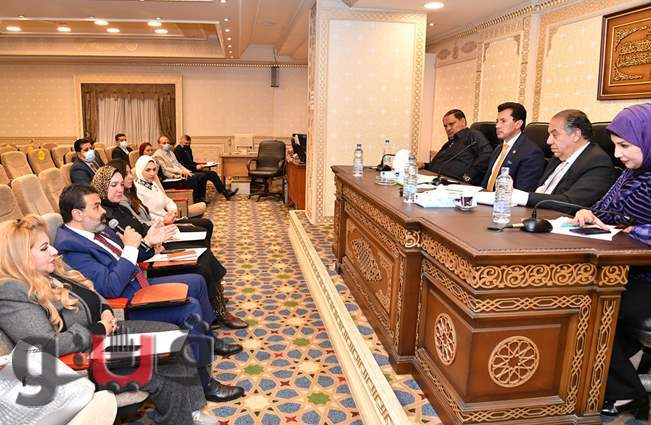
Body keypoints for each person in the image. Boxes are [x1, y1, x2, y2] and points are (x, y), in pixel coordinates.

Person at [0, 215, 244, 424]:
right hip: (82, 360)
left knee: (175, 338)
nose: (54, 251)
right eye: (44, 248)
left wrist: (105, 310)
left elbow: (94, 293)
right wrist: (98, 328)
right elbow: (44, 345)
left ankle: (191, 411)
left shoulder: (51, 272)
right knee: (165, 368)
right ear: (20, 256)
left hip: (104, 335)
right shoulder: (12, 291)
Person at [52, 185, 242, 358]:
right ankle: (203, 375)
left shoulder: (98, 228)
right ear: (77, 214)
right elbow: (110, 287)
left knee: (197, 281)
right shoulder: (71, 247)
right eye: (96, 207)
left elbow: (133, 254)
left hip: (138, 283)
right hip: (127, 304)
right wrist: (130, 248)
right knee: (190, 307)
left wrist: (148, 242)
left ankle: (208, 339)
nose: (102, 211)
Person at [569, 103, 651, 421]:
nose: (618, 155)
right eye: (616, 146)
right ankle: (630, 359)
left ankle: (626, 394)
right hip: (629, 270)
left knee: (594, 305)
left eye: (625, 146)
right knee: (584, 292)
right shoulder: (631, 174)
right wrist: (587, 212)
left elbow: (626, 218)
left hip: (645, 278)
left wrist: (628, 226)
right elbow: (605, 209)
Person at [92, 163, 247, 330]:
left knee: (204, 254)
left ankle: (216, 303)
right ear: (102, 187)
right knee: (201, 265)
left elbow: (141, 227)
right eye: (113, 185)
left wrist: (155, 236)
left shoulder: (119, 208)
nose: (119, 189)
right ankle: (218, 311)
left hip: (152, 247)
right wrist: (150, 243)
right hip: (144, 263)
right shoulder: (106, 218)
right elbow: (128, 248)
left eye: (121, 184)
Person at [476, 109, 617, 213]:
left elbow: (572, 202)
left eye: (555, 135)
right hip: (530, 214)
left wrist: (519, 197)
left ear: (575, 134)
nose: (548, 141)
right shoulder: (558, 156)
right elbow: (540, 189)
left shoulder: (597, 162)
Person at [133, 156, 214, 237]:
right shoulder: (137, 190)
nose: (152, 173)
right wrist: (165, 220)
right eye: (148, 170)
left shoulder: (152, 184)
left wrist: (172, 211)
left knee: (207, 223)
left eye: (154, 169)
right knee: (203, 231)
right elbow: (146, 216)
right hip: (160, 227)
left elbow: (167, 201)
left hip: (170, 220)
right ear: (140, 170)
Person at [481, 102, 545, 192]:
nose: (497, 126)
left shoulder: (531, 153)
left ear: (518, 124)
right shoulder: (499, 149)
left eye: (503, 121)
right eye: (497, 121)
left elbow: (523, 192)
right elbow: (486, 182)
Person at [422, 109, 493, 185]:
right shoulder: (448, 144)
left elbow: (487, 155)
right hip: (436, 179)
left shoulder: (473, 135)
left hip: (458, 183)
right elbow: (439, 163)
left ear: (462, 121)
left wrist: (467, 178)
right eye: (445, 126)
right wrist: (425, 165)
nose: (448, 128)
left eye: (451, 124)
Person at [175, 135, 238, 200]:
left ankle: (225, 193)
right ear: (180, 141)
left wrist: (200, 165)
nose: (188, 145)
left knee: (212, 173)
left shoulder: (188, 149)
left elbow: (191, 162)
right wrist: (195, 167)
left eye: (189, 143)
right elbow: (182, 165)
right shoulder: (177, 150)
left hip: (192, 168)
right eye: (186, 143)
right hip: (187, 171)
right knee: (203, 175)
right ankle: (201, 198)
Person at [153, 136, 209, 203]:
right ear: (159, 144)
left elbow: (178, 164)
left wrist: (186, 171)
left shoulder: (171, 152)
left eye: (168, 143)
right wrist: (181, 172)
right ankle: (195, 200)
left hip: (180, 172)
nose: (166, 145)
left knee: (202, 176)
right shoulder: (157, 155)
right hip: (171, 176)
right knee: (193, 178)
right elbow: (165, 169)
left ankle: (201, 197)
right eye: (164, 143)